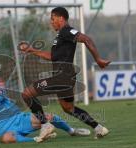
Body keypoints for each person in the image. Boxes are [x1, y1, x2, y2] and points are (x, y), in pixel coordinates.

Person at [18, 7, 111, 139]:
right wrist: (31, 50)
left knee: (27, 94)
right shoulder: (61, 35)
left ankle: (45, 125)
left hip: (62, 76)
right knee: (68, 108)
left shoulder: (66, 31)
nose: (51, 22)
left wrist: (98, 59)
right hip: (66, 77)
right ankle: (99, 128)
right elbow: (52, 56)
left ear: (61, 18)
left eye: (53, 18)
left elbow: (86, 39)